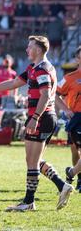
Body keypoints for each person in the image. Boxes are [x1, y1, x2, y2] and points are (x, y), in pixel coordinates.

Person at [0, 35, 74, 211]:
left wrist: (35, 118)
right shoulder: (34, 68)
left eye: (30, 46)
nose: (27, 49)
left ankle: (29, 202)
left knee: (32, 162)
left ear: (39, 49)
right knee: (35, 160)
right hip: (44, 117)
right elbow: (14, 83)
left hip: (41, 117)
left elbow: (45, 95)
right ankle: (61, 186)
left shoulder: (42, 69)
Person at [57, 46, 81, 192]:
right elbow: (54, 94)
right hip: (76, 118)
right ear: (77, 59)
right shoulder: (69, 78)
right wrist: (65, 110)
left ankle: (72, 173)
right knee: (75, 151)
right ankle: (77, 176)